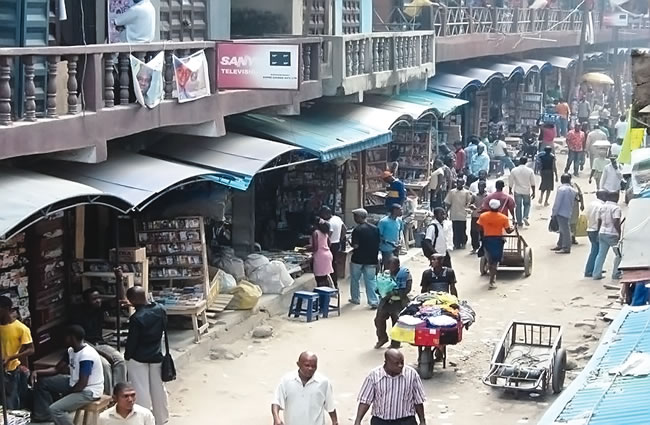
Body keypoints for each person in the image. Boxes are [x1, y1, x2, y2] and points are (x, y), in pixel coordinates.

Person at [31, 326, 104, 425]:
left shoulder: (86, 356)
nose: (64, 339)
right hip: (73, 383)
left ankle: (54, 415)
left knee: (55, 409)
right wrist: (37, 372)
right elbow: (56, 369)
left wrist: (67, 395)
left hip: (89, 391)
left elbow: (82, 383)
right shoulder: (71, 350)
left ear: (71, 338)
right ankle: (44, 416)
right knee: (43, 382)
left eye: (66, 337)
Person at [71, 268, 128, 394]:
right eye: (94, 299)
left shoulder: (99, 308)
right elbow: (81, 342)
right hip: (86, 346)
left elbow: (120, 299)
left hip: (100, 343)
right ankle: (109, 396)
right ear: (86, 301)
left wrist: (119, 279)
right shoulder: (78, 314)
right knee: (105, 366)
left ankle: (120, 392)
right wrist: (102, 353)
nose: (98, 301)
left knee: (119, 360)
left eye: (99, 298)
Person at [125, 286, 169, 425]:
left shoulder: (136, 318)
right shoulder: (160, 309)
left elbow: (132, 341)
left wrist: (127, 356)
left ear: (132, 301)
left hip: (138, 358)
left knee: (141, 391)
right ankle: (161, 419)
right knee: (158, 389)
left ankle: (144, 421)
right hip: (156, 355)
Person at [354, 349, 426, 425]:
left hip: (406, 421)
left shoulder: (411, 374)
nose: (400, 366)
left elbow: (418, 401)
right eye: (396, 363)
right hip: (381, 421)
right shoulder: (374, 376)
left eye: (402, 362)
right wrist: (358, 421)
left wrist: (422, 421)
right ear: (386, 363)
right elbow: (365, 401)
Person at [272, 352, 338, 425]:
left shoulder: (323, 382)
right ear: (298, 364)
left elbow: (330, 405)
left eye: (314, 366)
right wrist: (276, 418)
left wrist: (335, 421)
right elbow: (276, 401)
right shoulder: (287, 380)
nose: (310, 369)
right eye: (307, 365)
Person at [0, 296, 34, 409]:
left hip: (10, 370)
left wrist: (11, 357)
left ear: (6, 309)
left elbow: (31, 349)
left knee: (11, 402)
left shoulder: (21, 328)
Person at [374, 258, 412, 349]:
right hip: (386, 301)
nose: (391, 268)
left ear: (398, 265)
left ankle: (395, 343)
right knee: (378, 320)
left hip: (399, 301)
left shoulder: (405, 274)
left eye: (393, 266)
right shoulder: (386, 274)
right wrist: (380, 290)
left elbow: (407, 289)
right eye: (389, 266)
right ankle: (382, 338)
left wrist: (393, 292)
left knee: (396, 322)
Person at [477, 199, 514, 288]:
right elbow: (508, 231)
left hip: (487, 240)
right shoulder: (503, 218)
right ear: (499, 207)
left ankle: (492, 277)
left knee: (489, 259)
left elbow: (479, 228)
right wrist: (513, 227)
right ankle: (492, 280)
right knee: (495, 261)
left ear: (489, 206)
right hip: (498, 240)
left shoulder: (483, 216)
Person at [349, 208, 379, 308]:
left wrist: (350, 243)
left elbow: (356, 246)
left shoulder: (357, 230)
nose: (354, 218)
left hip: (358, 259)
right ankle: (373, 301)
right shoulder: (375, 228)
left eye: (355, 216)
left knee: (354, 279)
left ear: (359, 217)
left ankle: (355, 298)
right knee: (370, 280)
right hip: (371, 259)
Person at [592, 191, 623, 280]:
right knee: (619, 254)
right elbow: (616, 222)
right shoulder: (616, 208)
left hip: (602, 232)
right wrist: (619, 234)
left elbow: (599, 221)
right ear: (615, 197)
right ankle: (616, 273)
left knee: (601, 254)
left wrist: (598, 232)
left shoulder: (602, 207)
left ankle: (596, 274)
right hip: (612, 233)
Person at [320, 207, 346, 288]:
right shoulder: (337, 218)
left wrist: (324, 244)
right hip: (337, 243)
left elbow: (328, 235)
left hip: (330, 245)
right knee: (333, 263)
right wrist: (341, 238)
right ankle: (334, 283)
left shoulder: (329, 223)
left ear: (326, 214)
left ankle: (332, 284)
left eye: (322, 214)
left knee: (329, 265)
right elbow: (344, 228)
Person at [551, 174, 577, 254]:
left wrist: (554, 212)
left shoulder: (561, 189)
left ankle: (566, 247)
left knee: (565, 230)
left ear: (561, 180)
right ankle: (560, 244)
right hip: (568, 211)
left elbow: (557, 202)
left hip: (560, 212)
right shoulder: (573, 190)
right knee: (563, 229)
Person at [584, 190, 607, 278]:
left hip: (590, 228)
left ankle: (595, 268)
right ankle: (589, 270)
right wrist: (599, 232)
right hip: (596, 230)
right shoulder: (602, 206)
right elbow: (599, 220)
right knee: (596, 251)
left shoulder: (592, 204)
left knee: (595, 250)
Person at [444, 178, 472, 249]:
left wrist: (468, 209)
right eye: (458, 183)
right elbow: (448, 203)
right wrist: (446, 212)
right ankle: (456, 244)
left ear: (463, 184)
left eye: (461, 183)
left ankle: (463, 243)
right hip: (454, 213)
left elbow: (469, 202)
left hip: (462, 214)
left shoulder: (466, 192)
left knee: (462, 229)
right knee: (455, 230)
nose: (459, 184)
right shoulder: (452, 192)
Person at [509, 157, 536, 227]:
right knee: (527, 205)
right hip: (526, 191)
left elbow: (511, 181)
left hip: (517, 190)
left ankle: (519, 222)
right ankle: (525, 216)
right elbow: (533, 183)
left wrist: (510, 190)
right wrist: (534, 192)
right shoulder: (530, 171)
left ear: (519, 161)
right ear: (526, 162)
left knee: (518, 206)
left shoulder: (514, 170)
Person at [309, 220, 335, 287]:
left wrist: (306, 249)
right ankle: (326, 293)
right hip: (327, 255)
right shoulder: (325, 233)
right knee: (324, 276)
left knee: (319, 278)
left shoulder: (316, 233)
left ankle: (321, 293)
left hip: (320, 257)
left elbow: (315, 248)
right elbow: (329, 244)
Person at [469, 180, 488, 254]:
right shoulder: (474, 195)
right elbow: (469, 204)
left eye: (482, 186)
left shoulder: (488, 196)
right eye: (479, 187)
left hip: (485, 216)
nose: (480, 188)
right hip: (475, 215)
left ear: (484, 187)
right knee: (474, 232)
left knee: (483, 232)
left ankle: (483, 247)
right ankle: (475, 247)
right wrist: (471, 206)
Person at [569, 181, 585, 245]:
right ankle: (568, 238)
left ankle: (573, 238)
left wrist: (582, 204)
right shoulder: (562, 187)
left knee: (574, 222)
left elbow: (580, 194)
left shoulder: (574, 185)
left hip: (574, 205)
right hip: (567, 205)